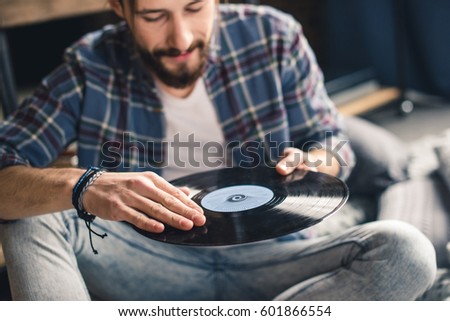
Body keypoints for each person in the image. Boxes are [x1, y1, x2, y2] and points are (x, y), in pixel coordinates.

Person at [0, 0, 436, 300]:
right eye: (154, 15)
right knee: (29, 218)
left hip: (274, 257)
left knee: (406, 251)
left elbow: (330, 139)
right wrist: (87, 184)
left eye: (195, 7)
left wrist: (317, 160)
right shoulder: (86, 66)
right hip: (144, 264)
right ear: (119, 7)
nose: (182, 37)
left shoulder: (276, 37)